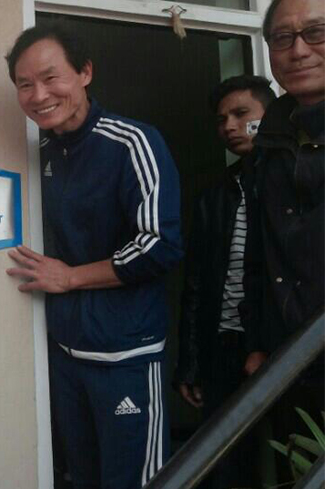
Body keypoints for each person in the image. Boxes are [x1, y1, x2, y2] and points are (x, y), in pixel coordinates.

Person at [4, 23, 182, 489]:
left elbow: (160, 244)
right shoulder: (41, 153)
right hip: (65, 354)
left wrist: (70, 277)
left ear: (85, 72)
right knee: (80, 479)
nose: (39, 95)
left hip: (127, 355)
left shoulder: (133, 142)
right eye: (25, 84)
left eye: (51, 77)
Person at [175, 75, 275, 489]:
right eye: (221, 119)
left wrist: (264, 343)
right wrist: (191, 363)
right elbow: (196, 284)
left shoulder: (295, 181)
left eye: (240, 114)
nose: (230, 126)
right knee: (225, 466)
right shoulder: (214, 195)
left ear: (270, 116)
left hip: (281, 349)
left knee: (284, 460)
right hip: (222, 351)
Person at [241, 0, 324, 481]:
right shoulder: (269, 144)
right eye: (282, 38)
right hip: (289, 361)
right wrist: (258, 340)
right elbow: (260, 253)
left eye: (316, 32)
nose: (299, 50)